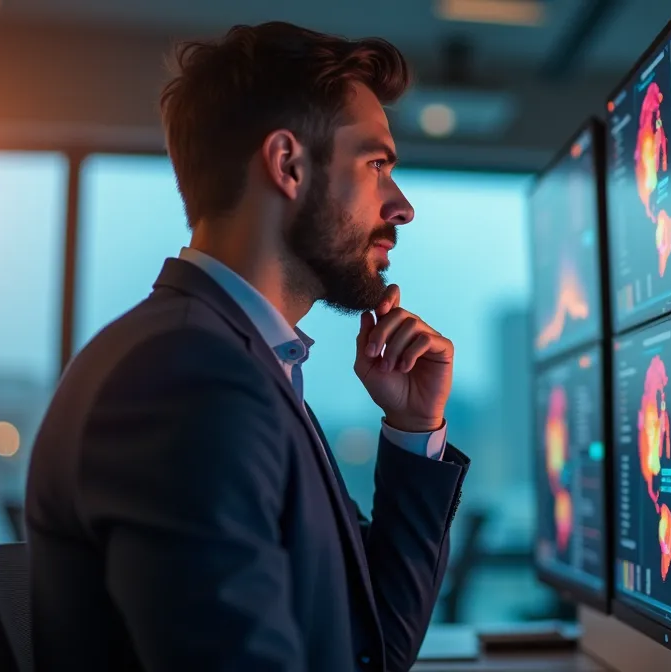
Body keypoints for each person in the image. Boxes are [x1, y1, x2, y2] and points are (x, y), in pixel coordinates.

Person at [25, 21, 469, 672]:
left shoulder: (240, 363)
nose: (401, 206)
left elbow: (370, 648)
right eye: (376, 164)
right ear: (288, 164)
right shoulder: (186, 379)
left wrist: (412, 426)